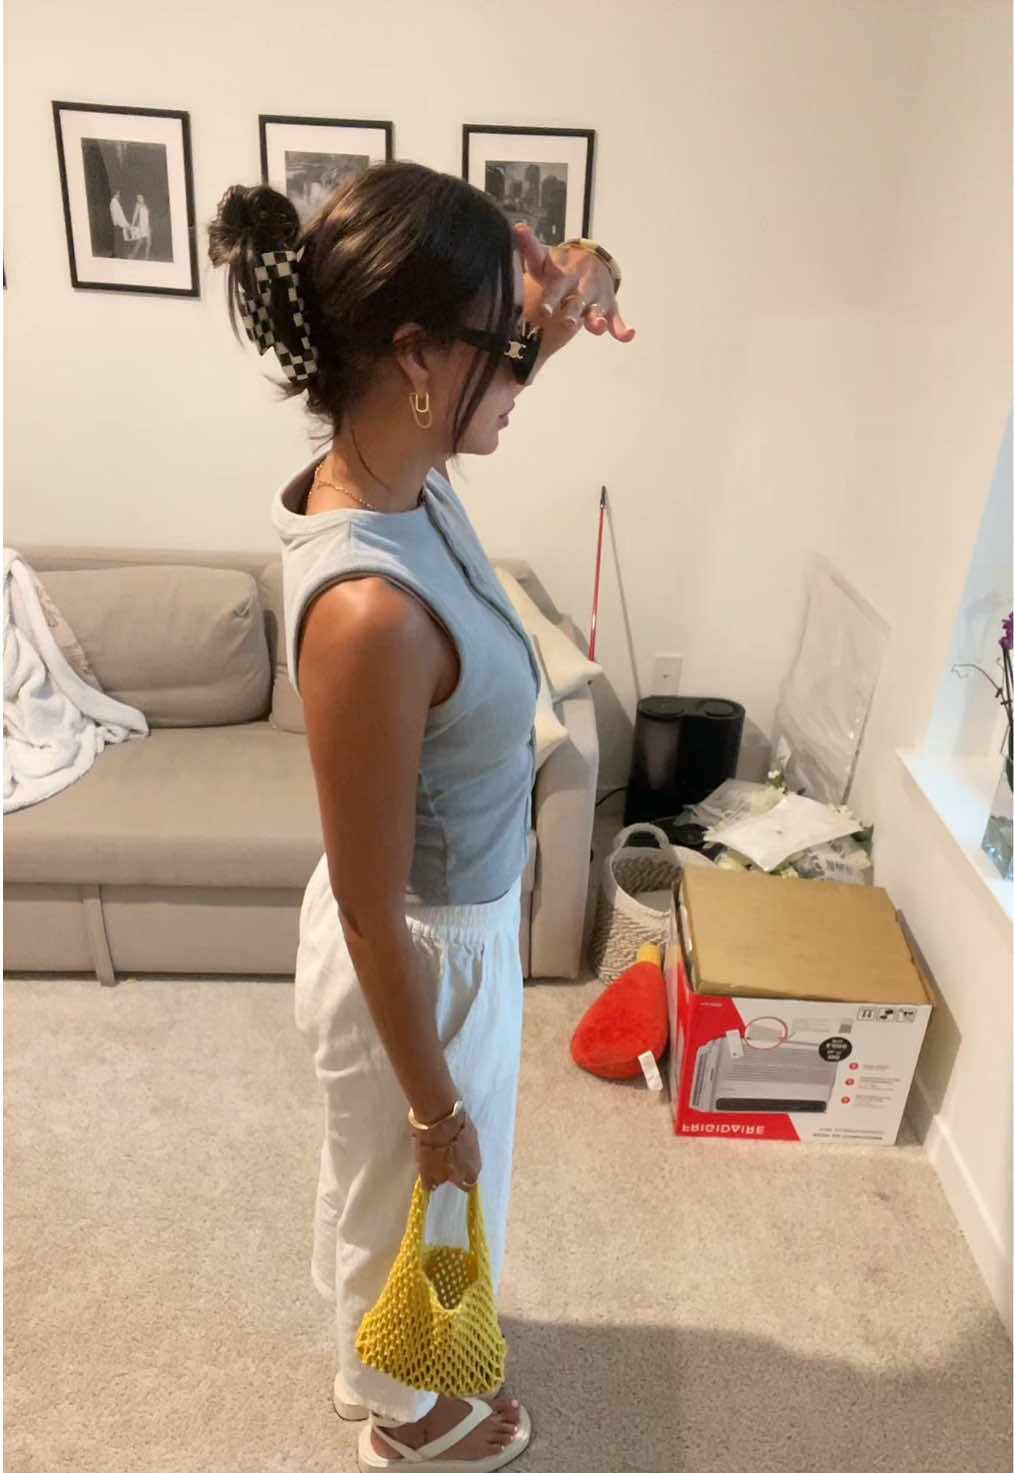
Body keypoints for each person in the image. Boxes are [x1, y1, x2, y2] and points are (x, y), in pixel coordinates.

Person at [207, 161, 633, 1472]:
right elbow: (364, 904)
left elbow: (527, 344)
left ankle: (379, 1368)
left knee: (398, 1190)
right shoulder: (368, 611)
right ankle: (406, 1415)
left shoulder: (411, 469)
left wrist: (575, 279)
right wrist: (438, 1109)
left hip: (455, 927)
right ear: (413, 356)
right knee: (418, 1183)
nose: (524, 370)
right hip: (417, 949)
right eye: (500, 342)